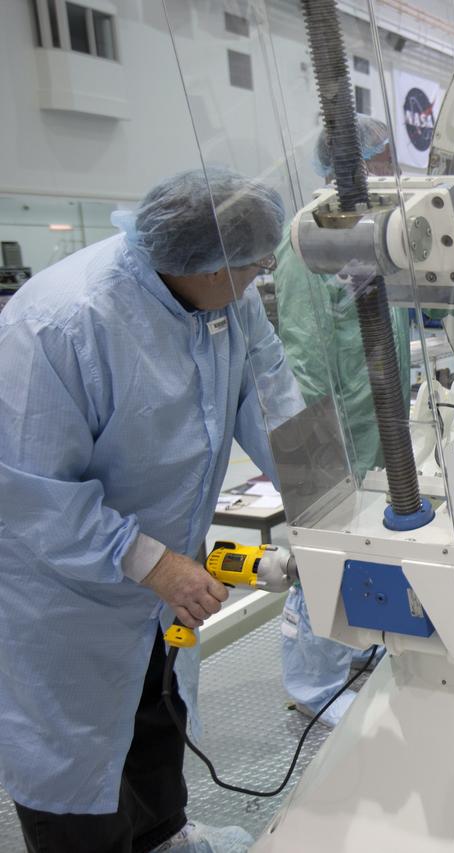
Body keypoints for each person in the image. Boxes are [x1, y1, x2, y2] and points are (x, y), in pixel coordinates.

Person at [0, 167, 303, 852]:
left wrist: (326, 501)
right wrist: (154, 564)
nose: (263, 272)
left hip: (155, 585)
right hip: (65, 599)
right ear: (202, 261)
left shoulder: (228, 301)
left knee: (154, 715)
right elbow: (27, 495)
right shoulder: (64, 324)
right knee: (79, 763)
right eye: (254, 262)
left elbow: (272, 401)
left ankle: (166, 836)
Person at [274, 116, 410, 727]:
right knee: (326, 545)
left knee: (363, 540)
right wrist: (314, 440)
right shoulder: (307, 238)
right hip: (333, 425)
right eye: (380, 160)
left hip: (376, 416)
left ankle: (357, 641)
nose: (388, 170)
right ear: (355, 165)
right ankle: (312, 681)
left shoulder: (370, 230)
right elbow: (301, 348)